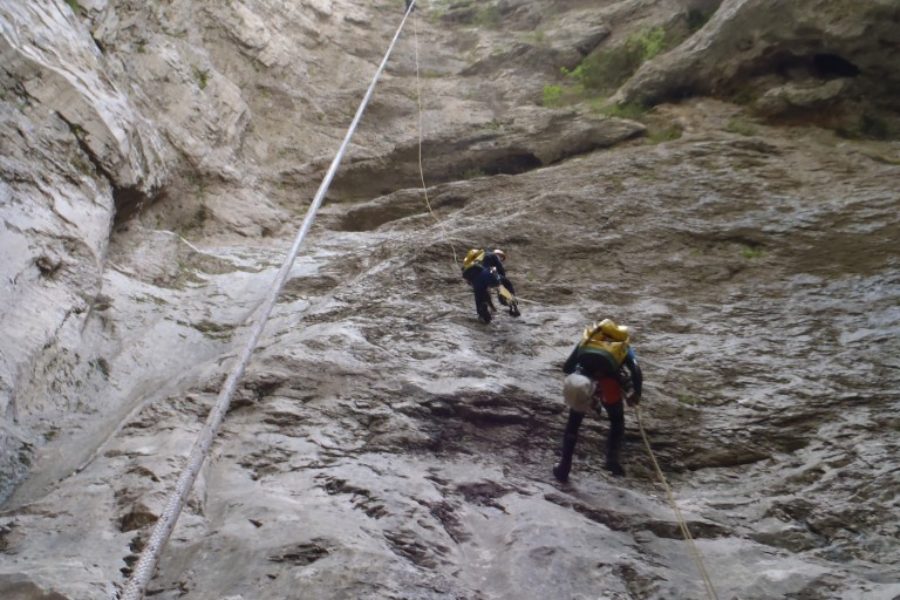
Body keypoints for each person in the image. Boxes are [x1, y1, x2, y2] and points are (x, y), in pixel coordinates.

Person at [553, 319, 643, 482]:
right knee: (616, 420)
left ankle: (564, 467)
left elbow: (567, 367)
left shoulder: (588, 340)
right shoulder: (622, 345)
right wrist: (636, 393)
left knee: (573, 424)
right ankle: (612, 460)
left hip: (585, 383)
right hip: (611, 385)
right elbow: (636, 369)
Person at [461, 248, 519, 324]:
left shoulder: (475, 259)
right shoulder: (493, 256)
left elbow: (467, 277)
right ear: (498, 254)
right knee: (506, 282)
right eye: (501, 257)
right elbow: (501, 272)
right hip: (486, 274)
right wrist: (501, 289)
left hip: (475, 281)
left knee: (480, 302)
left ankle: (484, 318)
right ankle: (513, 307)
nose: (501, 259)